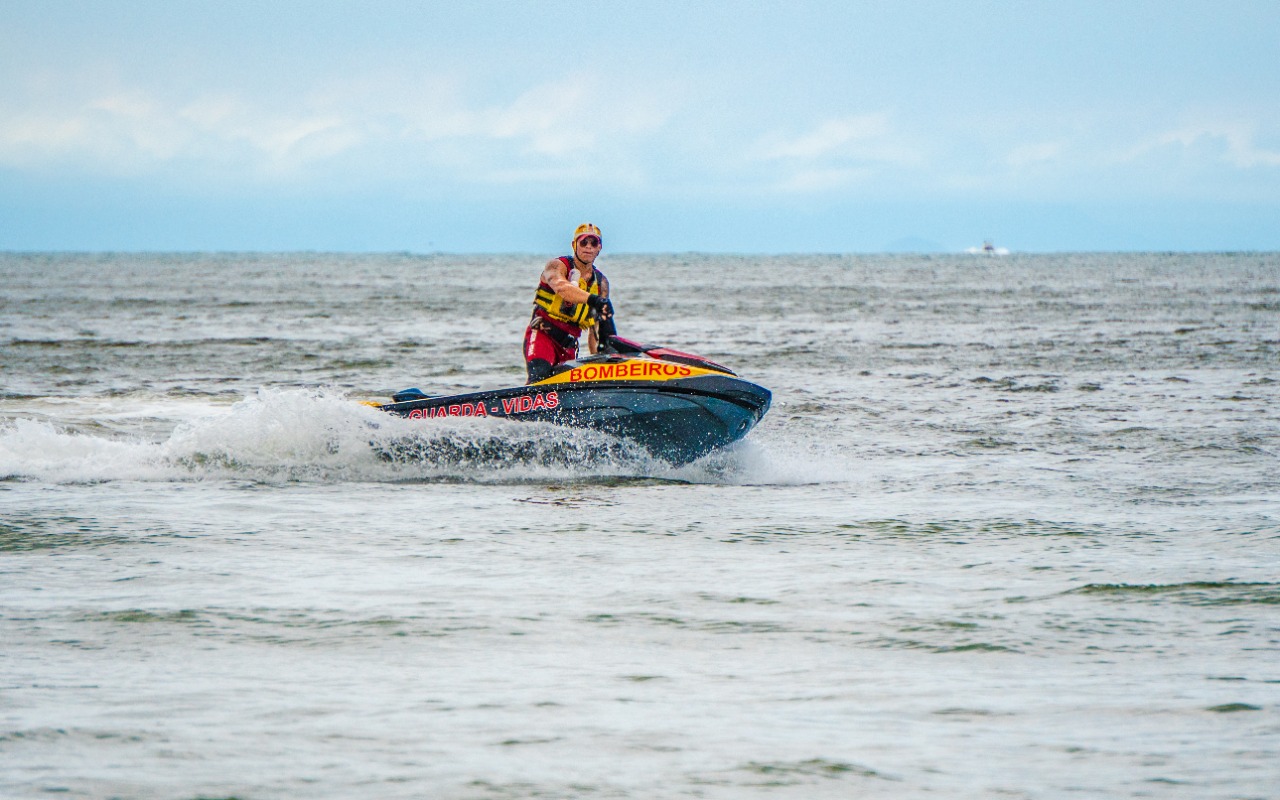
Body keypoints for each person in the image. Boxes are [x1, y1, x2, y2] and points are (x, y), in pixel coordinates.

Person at [523, 222, 616, 383]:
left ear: (599, 248)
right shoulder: (557, 266)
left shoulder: (601, 283)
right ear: (574, 245)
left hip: (568, 344)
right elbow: (562, 288)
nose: (588, 247)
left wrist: (601, 365)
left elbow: (595, 330)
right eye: (583, 242)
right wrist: (594, 300)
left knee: (564, 388)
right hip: (543, 335)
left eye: (593, 243)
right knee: (539, 378)